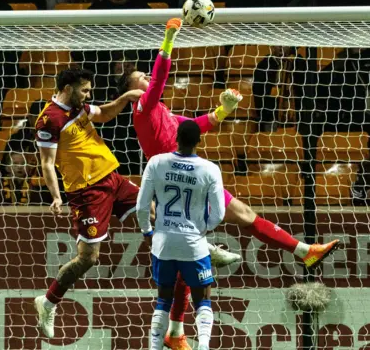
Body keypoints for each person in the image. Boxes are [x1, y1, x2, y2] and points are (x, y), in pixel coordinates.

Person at [118, 18, 339, 350]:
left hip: (188, 178)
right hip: (178, 180)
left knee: (235, 223)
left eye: (146, 76)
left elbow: (194, 126)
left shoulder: (159, 109)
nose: (147, 79)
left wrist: (224, 110)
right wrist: (168, 37)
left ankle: (304, 252)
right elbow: (162, 74)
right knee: (196, 251)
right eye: (141, 78)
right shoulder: (143, 106)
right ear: (133, 90)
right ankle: (178, 326)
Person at [32, 68, 146, 338]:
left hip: (112, 178)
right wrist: (56, 195)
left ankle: (200, 248)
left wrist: (127, 96)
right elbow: (47, 162)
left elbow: (105, 113)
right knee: (88, 258)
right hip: (86, 192)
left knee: (153, 210)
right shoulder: (49, 119)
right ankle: (47, 303)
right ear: (69, 88)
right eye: (84, 90)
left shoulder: (80, 108)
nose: (88, 94)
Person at [138, 120, 224, 350]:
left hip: (163, 242)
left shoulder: (156, 163)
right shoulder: (209, 169)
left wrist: (147, 230)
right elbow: (219, 213)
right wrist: (203, 229)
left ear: (176, 137)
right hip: (193, 244)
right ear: (199, 141)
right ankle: (203, 346)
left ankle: (154, 347)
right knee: (202, 299)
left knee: (163, 299)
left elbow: (142, 206)